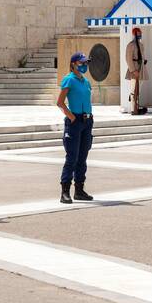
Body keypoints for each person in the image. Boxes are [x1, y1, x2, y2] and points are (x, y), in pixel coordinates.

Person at [57, 52, 94, 204]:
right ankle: (65, 191)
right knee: (72, 157)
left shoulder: (86, 82)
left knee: (83, 157)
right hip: (75, 121)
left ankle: (79, 189)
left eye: (86, 63)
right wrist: (72, 117)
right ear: (73, 64)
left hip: (87, 120)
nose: (85, 66)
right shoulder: (69, 80)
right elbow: (60, 102)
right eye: (82, 63)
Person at [125, 26, 149, 115]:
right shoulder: (130, 45)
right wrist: (133, 70)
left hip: (141, 67)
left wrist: (144, 61)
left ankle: (137, 105)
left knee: (139, 88)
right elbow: (128, 58)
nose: (140, 35)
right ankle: (133, 109)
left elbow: (142, 55)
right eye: (138, 33)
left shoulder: (141, 45)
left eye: (140, 33)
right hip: (134, 67)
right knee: (133, 89)